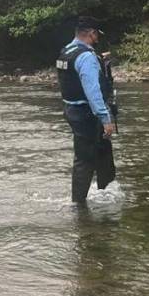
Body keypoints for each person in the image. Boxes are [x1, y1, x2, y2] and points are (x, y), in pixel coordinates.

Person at [56, 16, 117, 204]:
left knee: (103, 151)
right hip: (87, 114)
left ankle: (106, 193)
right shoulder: (86, 56)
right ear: (91, 33)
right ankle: (78, 205)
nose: (98, 38)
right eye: (96, 34)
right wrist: (105, 118)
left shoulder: (66, 51)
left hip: (72, 110)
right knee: (84, 160)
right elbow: (93, 91)